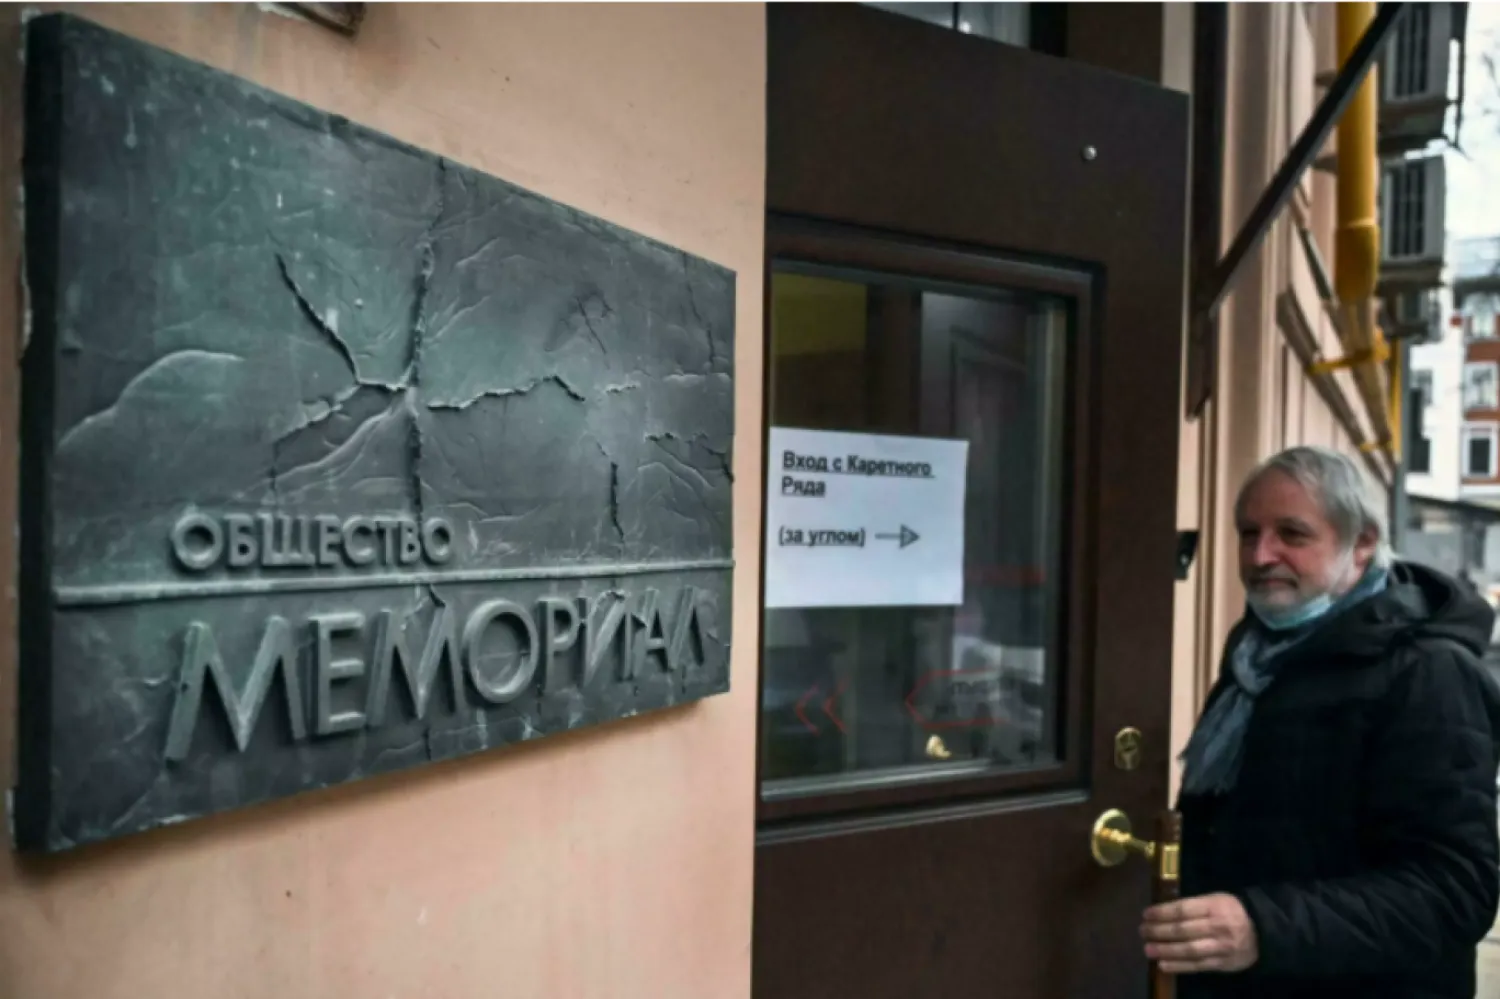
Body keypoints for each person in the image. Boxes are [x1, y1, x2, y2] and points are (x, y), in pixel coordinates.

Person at [1142, 446, 1500, 998]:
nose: (1262, 555)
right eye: (1247, 532)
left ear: (1362, 545)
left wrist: (1264, 928)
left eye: (1292, 533)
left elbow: (1453, 892)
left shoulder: (1429, 674)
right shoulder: (1256, 656)